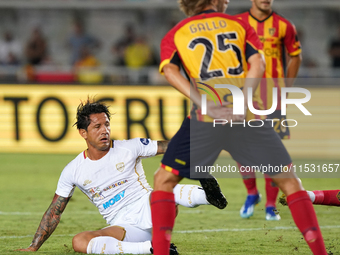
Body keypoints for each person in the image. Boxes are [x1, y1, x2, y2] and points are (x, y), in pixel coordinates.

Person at [151, 0, 327, 255]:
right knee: (289, 181)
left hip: (206, 119)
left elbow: (169, 71)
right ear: (214, 1)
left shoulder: (177, 33)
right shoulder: (239, 25)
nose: (227, 2)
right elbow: (259, 64)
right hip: (246, 114)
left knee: (163, 180)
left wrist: (205, 104)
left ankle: (161, 252)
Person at [17, 99, 219, 254]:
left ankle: (208, 196)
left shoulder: (130, 147)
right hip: (124, 227)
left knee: (164, 186)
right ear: (83, 133)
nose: (104, 131)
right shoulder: (73, 170)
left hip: (150, 207)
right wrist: (33, 246)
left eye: (107, 124)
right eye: (97, 127)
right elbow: (54, 212)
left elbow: (168, 147)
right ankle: (148, 249)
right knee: (79, 241)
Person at [234, 0, 302, 221]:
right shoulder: (238, 23)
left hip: (273, 98)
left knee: (271, 152)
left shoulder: (285, 25)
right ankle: (252, 193)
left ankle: (271, 204)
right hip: (244, 97)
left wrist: (287, 88)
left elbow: (296, 56)